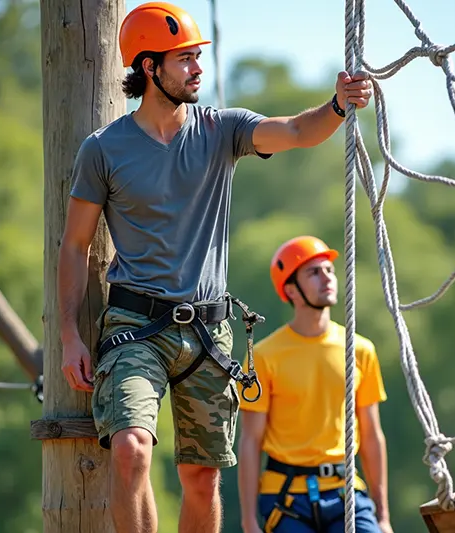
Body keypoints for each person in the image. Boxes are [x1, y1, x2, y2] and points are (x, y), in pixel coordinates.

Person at [56, 1, 374, 532]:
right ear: (149, 67)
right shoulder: (103, 150)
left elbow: (296, 130)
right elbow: (75, 245)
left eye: (198, 57)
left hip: (208, 331)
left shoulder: (221, 129)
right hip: (135, 328)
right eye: (184, 59)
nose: (198, 68)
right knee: (131, 449)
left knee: (201, 477)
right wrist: (69, 333)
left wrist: (336, 106)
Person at [237, 236, 392, 533]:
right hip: (286, 498)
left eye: (329, 270)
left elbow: (372, 435)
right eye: (314, 272)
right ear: (291, 290)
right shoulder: (264, 356)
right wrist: (248, 522)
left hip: (345, 492)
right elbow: (250, 440)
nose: (327, 278)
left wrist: (383, 515)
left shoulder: (359, 351)